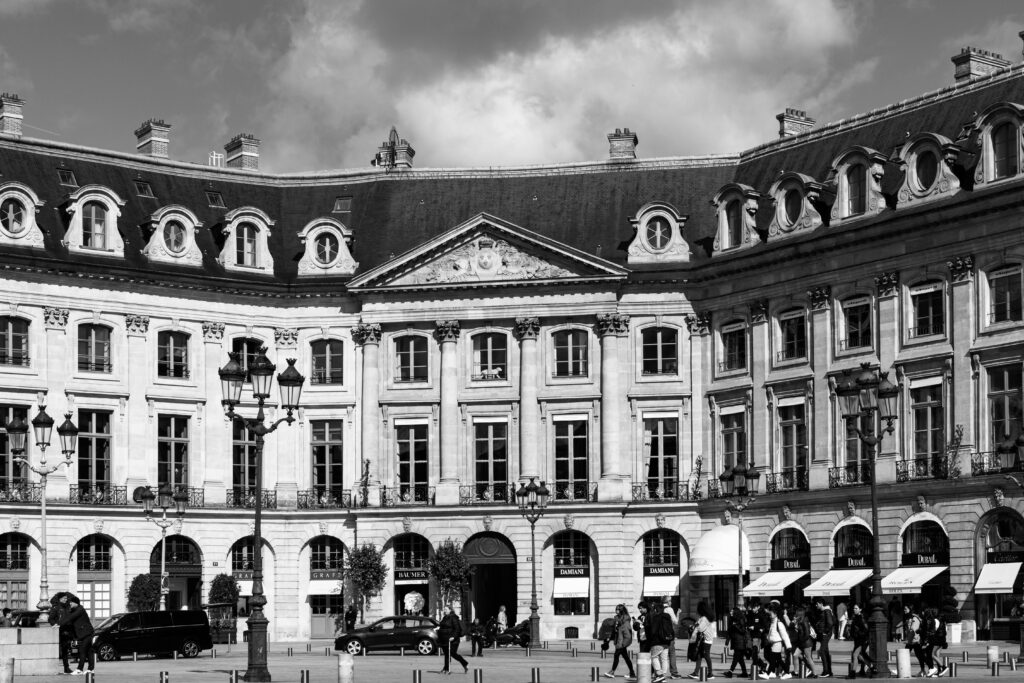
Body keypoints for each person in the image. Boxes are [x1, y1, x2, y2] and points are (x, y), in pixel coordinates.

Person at [57, 595, 94, 675]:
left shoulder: (80, 609)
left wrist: (58, 624)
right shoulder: (74, 609)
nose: (70, 603)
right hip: (83, 634)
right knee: (88, 651)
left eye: (71, 602)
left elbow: (70, 618)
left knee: (82, 650)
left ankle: (79, 669)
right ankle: (91, 669)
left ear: (76, 603)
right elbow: (68, 618)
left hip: (87, 633)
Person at [603, 603, 636, 680]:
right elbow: (614, 631)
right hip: (618, 641)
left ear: (621, 610)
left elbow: (628, 634)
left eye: (618, 609)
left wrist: (624, 644)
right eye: (616, 609)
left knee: (616, 656)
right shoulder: (616, 619)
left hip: (622, 643)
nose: (616, 611)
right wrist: (609, 639)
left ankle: (612, 672)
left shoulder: (625, 620)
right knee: (626, 658)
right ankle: (632, 673)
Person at [759, 602, 791, 680]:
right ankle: (787, 672)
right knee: (778, 660)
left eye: (771, 614)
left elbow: (785, 635)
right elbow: (771, 633)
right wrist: (768, 639)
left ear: (776, 614)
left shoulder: (779, 623)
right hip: (773, 644)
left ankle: (768, 674)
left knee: (773, 660)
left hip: (777, 643)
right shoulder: (773, 622)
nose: (770, 616)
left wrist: (788, 646)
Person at [688, 601, 716, 681]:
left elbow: (700, 628)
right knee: (699, 656)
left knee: (706, 656)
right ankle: (696, 673)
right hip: (705, 639)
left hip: (706, 640)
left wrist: (694, 627)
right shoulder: (704, 617)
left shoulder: (704, 618)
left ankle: (710, 673)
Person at [438, 604, 468, 675]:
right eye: (444, 609)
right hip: (445, 639)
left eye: (446, 609)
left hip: (453, 640)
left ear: (450, 610)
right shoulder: (445, 617)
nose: (444, 611)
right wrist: (439, 628)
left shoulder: (454, 618)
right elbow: (442, 626)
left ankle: (464, 663)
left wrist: (453, 637)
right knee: (446, 654)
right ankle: (446, 668)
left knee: (452, 653)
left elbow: (457, 629)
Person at [648, 601, 674, 683]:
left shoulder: (655, 617)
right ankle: (663, 676)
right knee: (664, 659)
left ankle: (660, 675)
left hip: (657, 641)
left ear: (656, 610)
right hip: (667, 641)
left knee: (653, 657)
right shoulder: (667, 617)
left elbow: (653, 631)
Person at [846, 603, 874, 678]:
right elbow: (854, 629)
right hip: (857, 640)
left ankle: (852, 673)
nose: (854, 609)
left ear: (860, 609)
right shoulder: (855, 617)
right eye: (854, 608)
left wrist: (859, 633)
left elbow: (866, 629)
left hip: (862, 640)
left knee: (855, 655)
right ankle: (872, 667)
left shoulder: (862, 617)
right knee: (859, 656)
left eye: (856, 608)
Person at [50, 594, 75, 675]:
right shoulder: (56, 608)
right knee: (59, 650)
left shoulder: (68, 607)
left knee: (65, 650)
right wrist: (55, 625)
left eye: (66, 598)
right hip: (60, 631)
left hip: (67, 631)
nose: (65, 599)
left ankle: (66, 668)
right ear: (60, 599)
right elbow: (50, 618)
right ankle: (55, 668)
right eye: (64, 598)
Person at [791, 607, 817, 678]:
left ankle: (814, 673)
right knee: (795, 655)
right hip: (802, 643)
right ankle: (796, 671)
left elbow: (807, 634)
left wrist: (802, 640)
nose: (795, 615)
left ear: (800, 614)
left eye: (796, 614)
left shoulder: (804, 622)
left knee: (808, 658)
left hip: (806, 643)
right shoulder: (799, 621)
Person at [903, 604, 928, 677]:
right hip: (912, 641)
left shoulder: (914, 618)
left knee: (919, 656)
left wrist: (908, 640)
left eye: (906, 609)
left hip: (916, 641)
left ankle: (930, 667)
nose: (904, 610)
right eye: (904, 609)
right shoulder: (908, 617)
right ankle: (923, 670)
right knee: (918, 656)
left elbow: (913, 630)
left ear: (910, 609)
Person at [725, 603, 750, 678]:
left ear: (736, 612)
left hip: (740, 642)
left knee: (736, 657)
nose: (730, 612)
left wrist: (735, 626)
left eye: (732, 611)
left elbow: (743, 630)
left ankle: (730, 672)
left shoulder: (741, 619)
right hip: (735, 641)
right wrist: (727, 641)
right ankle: (744, 673)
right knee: (740, 658)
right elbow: (729, 631)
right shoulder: (732, 619)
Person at [814, 598, 835, 678]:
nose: (816, 605)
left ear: (821, 603)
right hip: (824, 633)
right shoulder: (823, 611)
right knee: (825, 651)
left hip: (826, 634)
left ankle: (826, 671)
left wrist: (825, 631)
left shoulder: (827, 611)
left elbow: (830, 623)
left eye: (817, 604)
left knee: (822, 651)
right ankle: (829, 671)